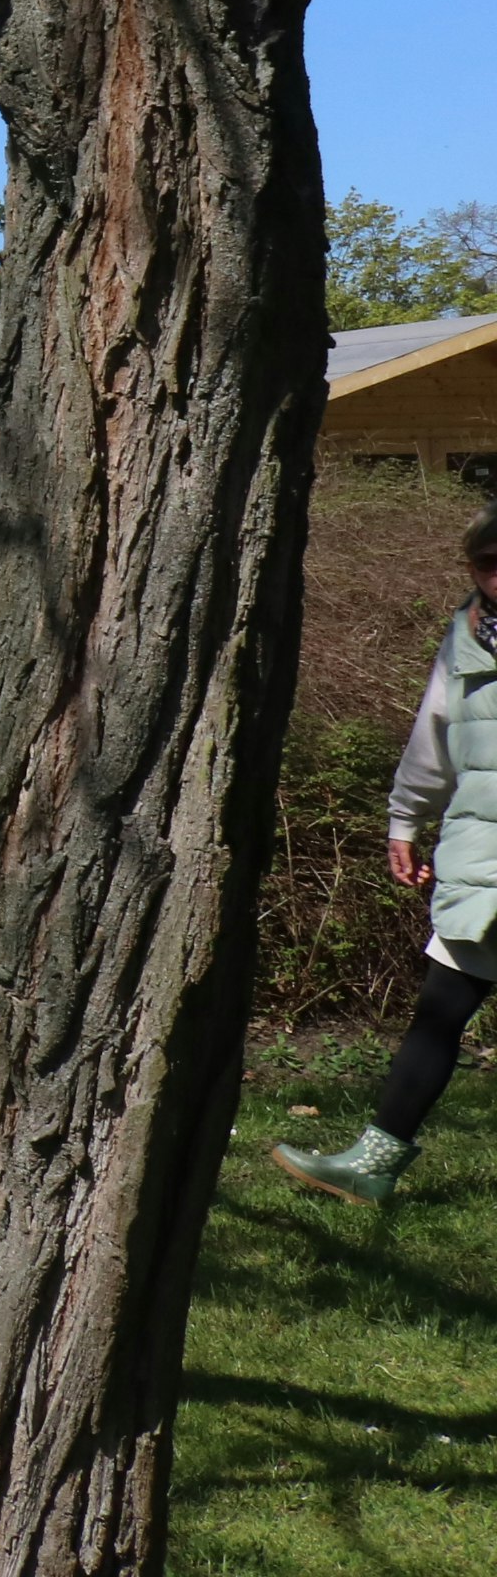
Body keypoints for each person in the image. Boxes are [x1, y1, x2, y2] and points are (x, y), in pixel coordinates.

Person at [273, 495, 497, 1207]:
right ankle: (372, 1166)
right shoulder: (465, 642)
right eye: (489, 563)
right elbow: (434, 738)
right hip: (483, 861)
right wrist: (405, 820)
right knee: (441, 1010)